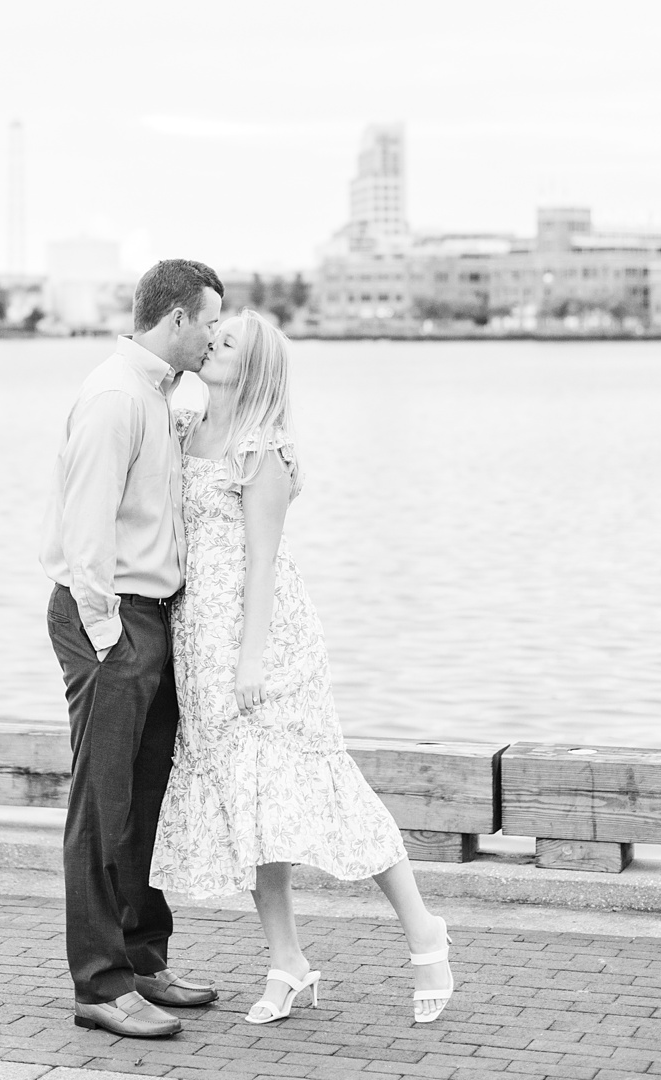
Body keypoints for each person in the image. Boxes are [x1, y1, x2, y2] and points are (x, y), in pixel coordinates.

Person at [150, 310, 456, 1027]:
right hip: (198, 637)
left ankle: (424, 931)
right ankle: (287, 960)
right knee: (250, 802)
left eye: (224, 343)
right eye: (212, 335)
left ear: (251, 368)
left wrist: (251, 655)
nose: (209, 343)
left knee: (324, 784)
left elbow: (263, 563)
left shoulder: (265, 453)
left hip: (265, 640)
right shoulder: (188, 429)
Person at [42, 258, 228, 1039]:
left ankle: (144, 963)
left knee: (144, 801)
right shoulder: (117, 398)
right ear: (178, 319)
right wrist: (112, 639)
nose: (217, 338)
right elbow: (85, 537)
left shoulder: (161, 395)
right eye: (211, 323)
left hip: (153, 616)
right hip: (110, 618)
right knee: (101, 804)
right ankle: (99, 984)